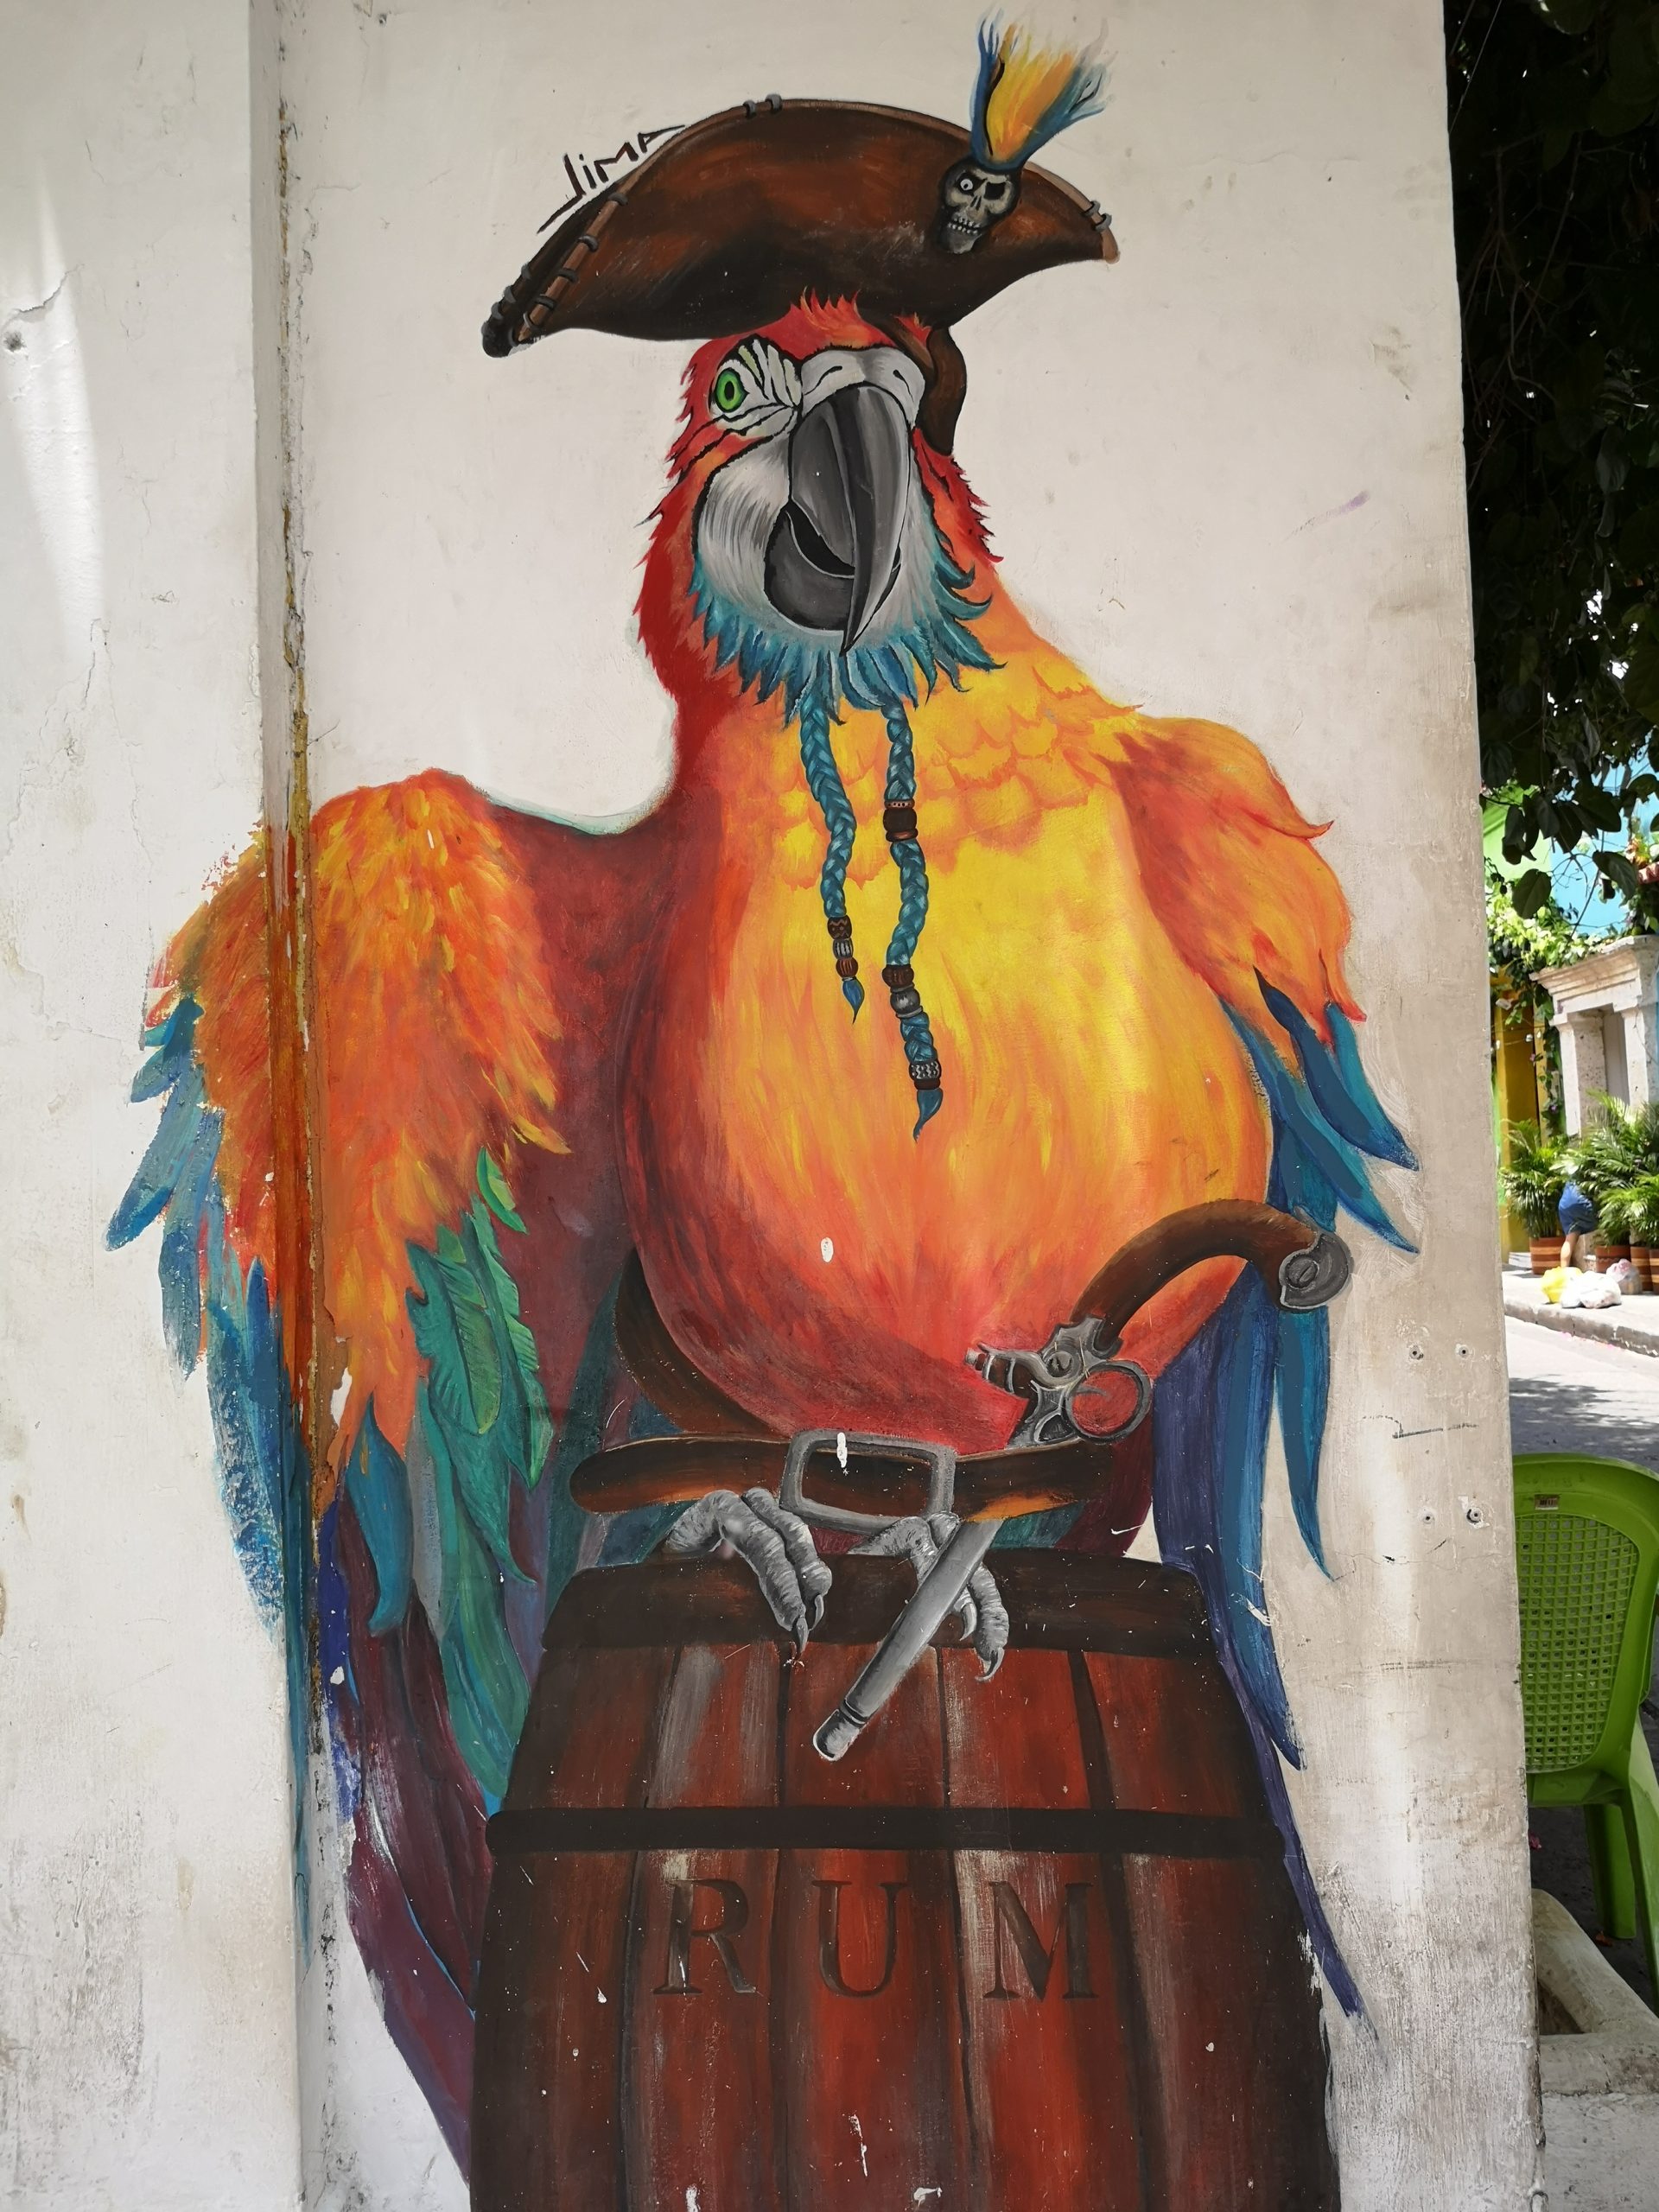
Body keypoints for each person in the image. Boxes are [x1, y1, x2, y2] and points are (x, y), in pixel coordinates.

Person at [1559, 1176, 1597, 1269]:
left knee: (1569, 1241)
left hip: (1564, 1205)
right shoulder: (1589, 1166)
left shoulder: (1572, 1170)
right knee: (1604, 1222)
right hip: (1581, 1202)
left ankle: (1564, 1271)